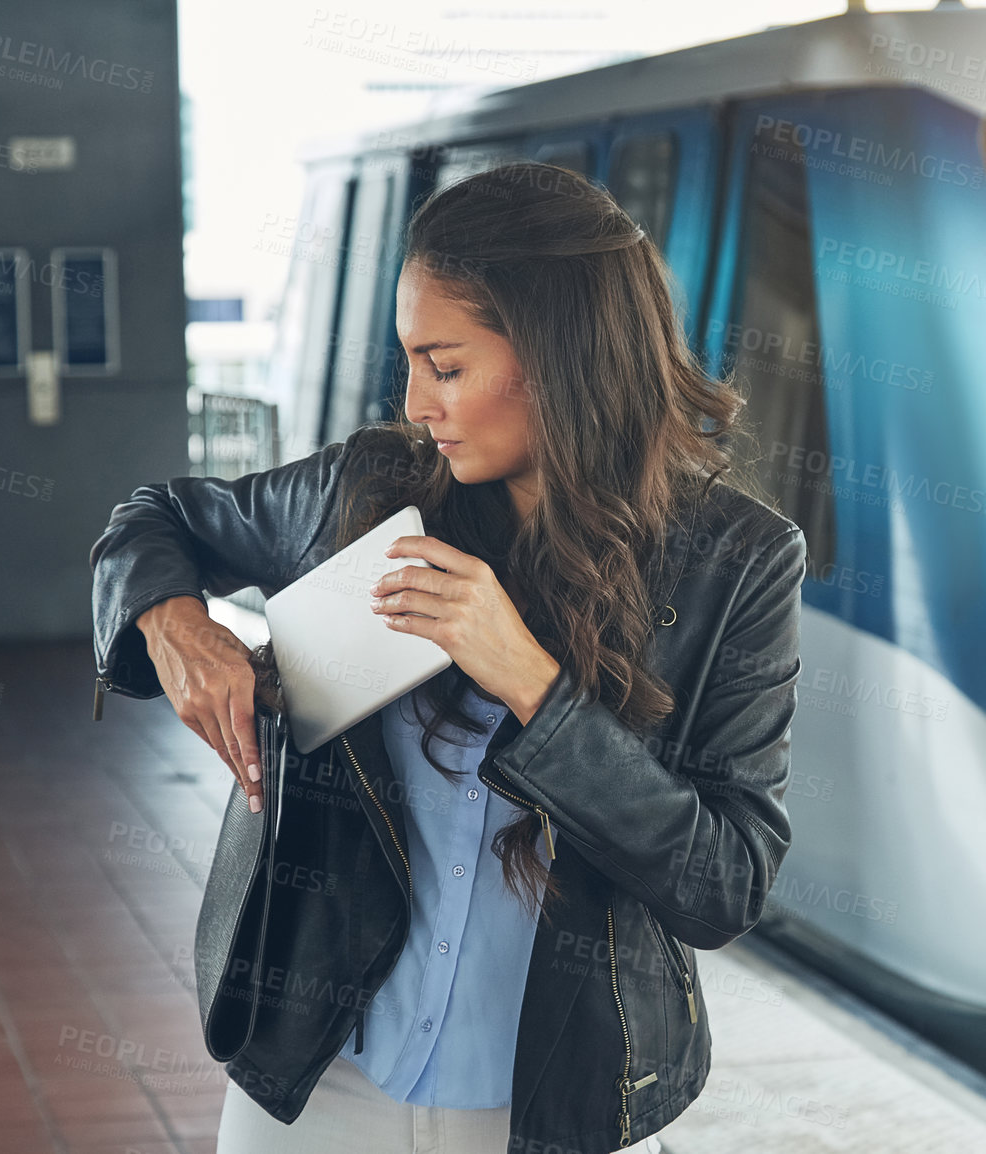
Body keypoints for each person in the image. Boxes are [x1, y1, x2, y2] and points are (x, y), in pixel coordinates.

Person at [88, 161, 808, 1154]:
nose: (417, 400)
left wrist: (531, 682)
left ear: (562, 357)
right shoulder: (367, 494)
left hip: (554, 1103)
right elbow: (155, 516)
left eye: (447, 364)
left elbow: (721, 882)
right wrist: (175, 623)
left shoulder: (740, 560)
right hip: (315, 1078)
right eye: (411, 361)